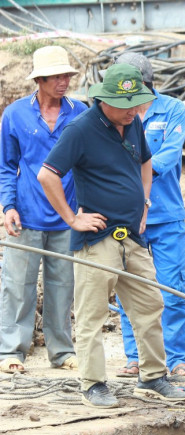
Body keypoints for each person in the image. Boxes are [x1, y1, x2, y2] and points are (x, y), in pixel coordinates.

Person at [37, 63, 185, 408]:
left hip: (132, 238)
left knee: (150, 305)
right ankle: (92, 383)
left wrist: (145, 204)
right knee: (92, 315)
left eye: (138, 104)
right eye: (128, 105)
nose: (135, 112)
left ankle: (152, 377)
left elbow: (146, 163)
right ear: (106, 100)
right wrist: (72, 218)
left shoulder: (132, 123)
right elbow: (47, 175)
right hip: (97, 238)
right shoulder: (81, 130)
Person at [105, 52, 185, 379]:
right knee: (130, 287)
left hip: (166, 216)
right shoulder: (115, 112)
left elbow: (168, 155)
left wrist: (136, 172)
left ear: (146, 84)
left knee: (172, 288)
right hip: (127, 218)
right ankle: (135, 356)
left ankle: (177, 358)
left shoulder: (172, 109)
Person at [0, 45, 86, 374]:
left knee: (63, 287)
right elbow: (7, 166)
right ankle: (11, 352)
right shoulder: (16, 114)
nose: (64, 81)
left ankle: (62, 351)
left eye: (67, 75)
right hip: (26, 214)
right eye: (57, 76)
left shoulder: (80, 114)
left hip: (67, 217)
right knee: (17, 286)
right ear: (40, 79)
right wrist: (8, 205)